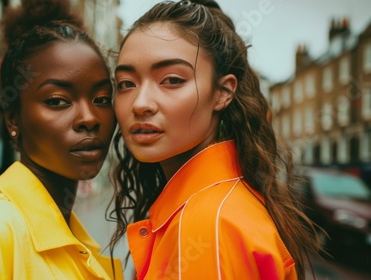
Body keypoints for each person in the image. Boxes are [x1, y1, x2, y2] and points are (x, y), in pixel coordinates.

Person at [109, 0, 322, 279]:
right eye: (127, 83)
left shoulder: (208, 225)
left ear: (222, 92)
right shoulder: (222, 203)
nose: (140, 103)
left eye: (172, 80)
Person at [0, 0, 122, 279]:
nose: (90, 118)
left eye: (102, 99)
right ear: (13, 120)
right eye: (57, 100)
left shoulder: (75, 235)